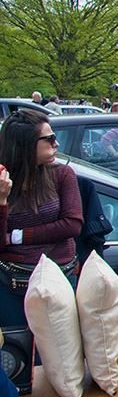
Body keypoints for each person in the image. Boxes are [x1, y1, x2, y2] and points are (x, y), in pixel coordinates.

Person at [0, 109, 83, 327]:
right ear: (26, 144)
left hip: (61, 275)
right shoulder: (3, 180)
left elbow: (72, 225)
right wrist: (2, 201)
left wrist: (16, 237)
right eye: (49, 139)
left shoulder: (62, 174)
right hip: (14, 282)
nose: (56, 144)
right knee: (21, 349)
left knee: (64, 349)